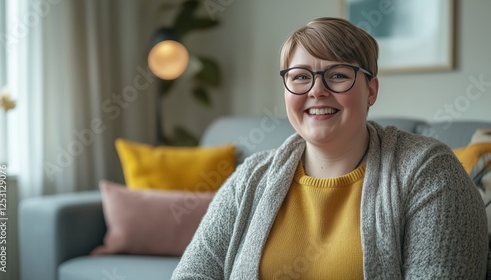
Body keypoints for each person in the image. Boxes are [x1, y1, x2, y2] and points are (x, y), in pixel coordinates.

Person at [172, 17, 488, 279]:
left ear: (371, 90)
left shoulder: (429, 171)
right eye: (300, 77)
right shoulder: (250, 178)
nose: (317, 90)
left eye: (337, 75)